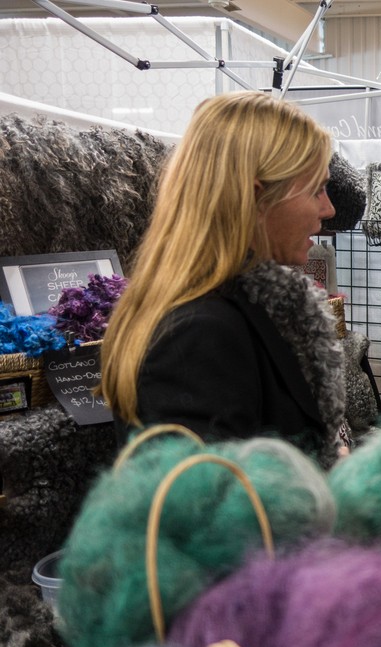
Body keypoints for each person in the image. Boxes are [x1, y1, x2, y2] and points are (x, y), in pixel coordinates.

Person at [100, 90, 348, 463]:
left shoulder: (250, 308)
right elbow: (209, 509)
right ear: (254, 199)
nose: (328, 209)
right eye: (315, 190)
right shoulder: (197, 334)